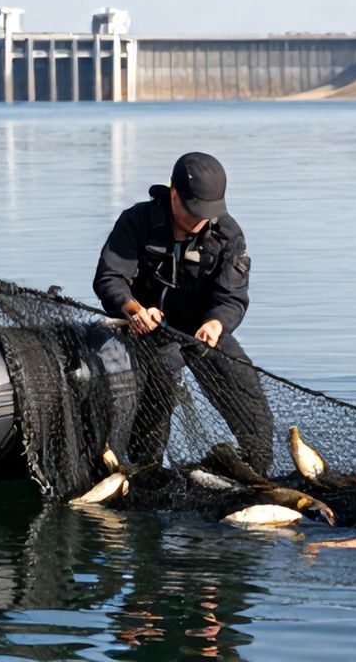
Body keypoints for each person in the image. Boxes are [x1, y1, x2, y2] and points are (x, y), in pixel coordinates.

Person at [93, 152, 275, 474]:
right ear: (173, 193)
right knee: (161, 375)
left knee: (247, 393)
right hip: (146, 329)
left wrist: (216, 323)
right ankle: (146, 471)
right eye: (193, 211)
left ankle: (256, 471)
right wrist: (133, 309)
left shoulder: (228, 234)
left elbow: (231, 296)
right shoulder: (137, 220)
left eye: (206, 213)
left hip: (201, 330)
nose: (199, 220)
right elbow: (110, 278)